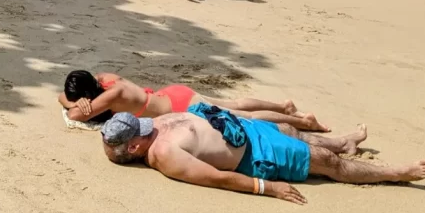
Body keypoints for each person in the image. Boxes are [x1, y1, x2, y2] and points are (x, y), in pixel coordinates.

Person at [100, 109, 425, 204]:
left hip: (239, 128)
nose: (150, 127)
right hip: (255, 155)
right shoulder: (164, 155)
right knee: (327, 164)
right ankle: (396, 173)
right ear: (134, 148)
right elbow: (215, 178)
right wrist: (267, 188)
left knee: (290, 130)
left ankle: (344, 141)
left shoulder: (149, 129)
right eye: (142, 131)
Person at [59, 71, 328, 132]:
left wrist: (74, 106)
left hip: (180, 107)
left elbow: (75, 116)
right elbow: (61, 97)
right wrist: (72, 99)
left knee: (242, 117)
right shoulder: (105, 78)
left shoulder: (110, 96)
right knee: (233, 102)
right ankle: (283, 106)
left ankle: (301, 120)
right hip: (173, 93)